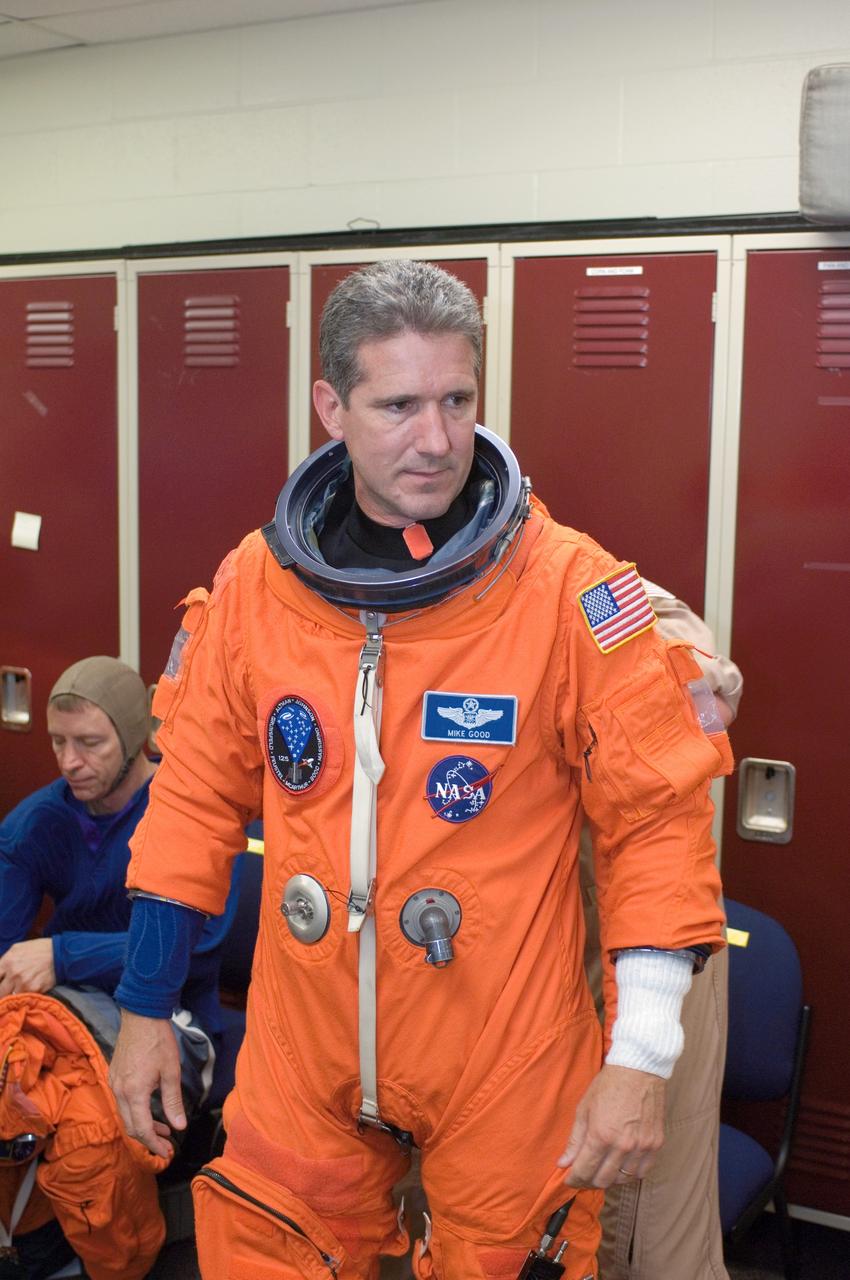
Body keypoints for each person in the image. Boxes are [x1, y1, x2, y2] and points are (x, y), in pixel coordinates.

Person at [109, 260, 733, 1280]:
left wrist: (641, 1057)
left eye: (455, 399)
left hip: (506, 1055)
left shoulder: (568, 589)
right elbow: (189, 802)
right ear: (331, 407)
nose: (435, 438)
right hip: (302, 1047)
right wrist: (143, 1006)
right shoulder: (256, 588)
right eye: (397, 404)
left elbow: (655, 825)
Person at [0, 656, 239, 1280]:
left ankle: (103, 1256)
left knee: (86, 1131)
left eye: (90, 743)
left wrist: (61, 954)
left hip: (175, 1017)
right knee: (18, 1098)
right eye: (58, 742)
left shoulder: (189, 812)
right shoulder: (37, 823)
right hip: (63, 1014)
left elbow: (201, 940)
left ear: (135, 741)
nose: (70, 761)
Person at [580, 583, 742, 1280]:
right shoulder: (369, 590)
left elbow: (711, 686)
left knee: (631, 1218)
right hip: (490, 954)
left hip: (634, 935)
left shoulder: (583, 586)